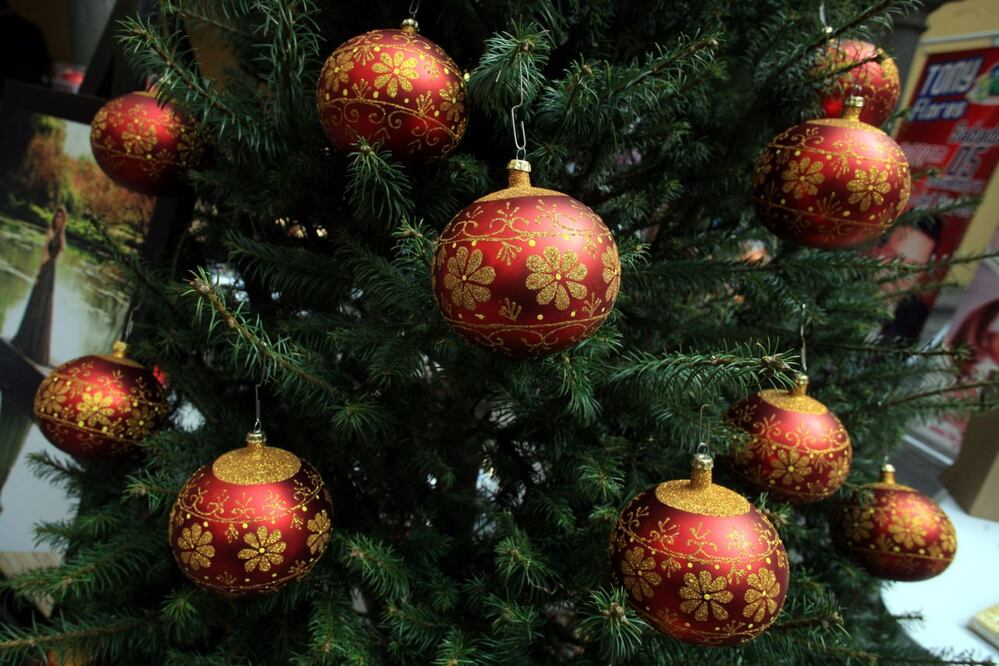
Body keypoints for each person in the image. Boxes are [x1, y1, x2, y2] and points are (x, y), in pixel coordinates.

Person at [11, 206, 67, 366]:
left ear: (63, 221)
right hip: (46, 268)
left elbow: (63, 250)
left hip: (53, 271)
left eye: (60, 218)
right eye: (56, 217)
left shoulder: (61, 234)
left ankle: (37, 347)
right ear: (54, 219)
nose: (58, 220)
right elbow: (44, 253)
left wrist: (62, 233)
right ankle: (26, 342)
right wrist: (38, 273)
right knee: (37, 302)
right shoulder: (50, 231)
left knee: (45, 306)